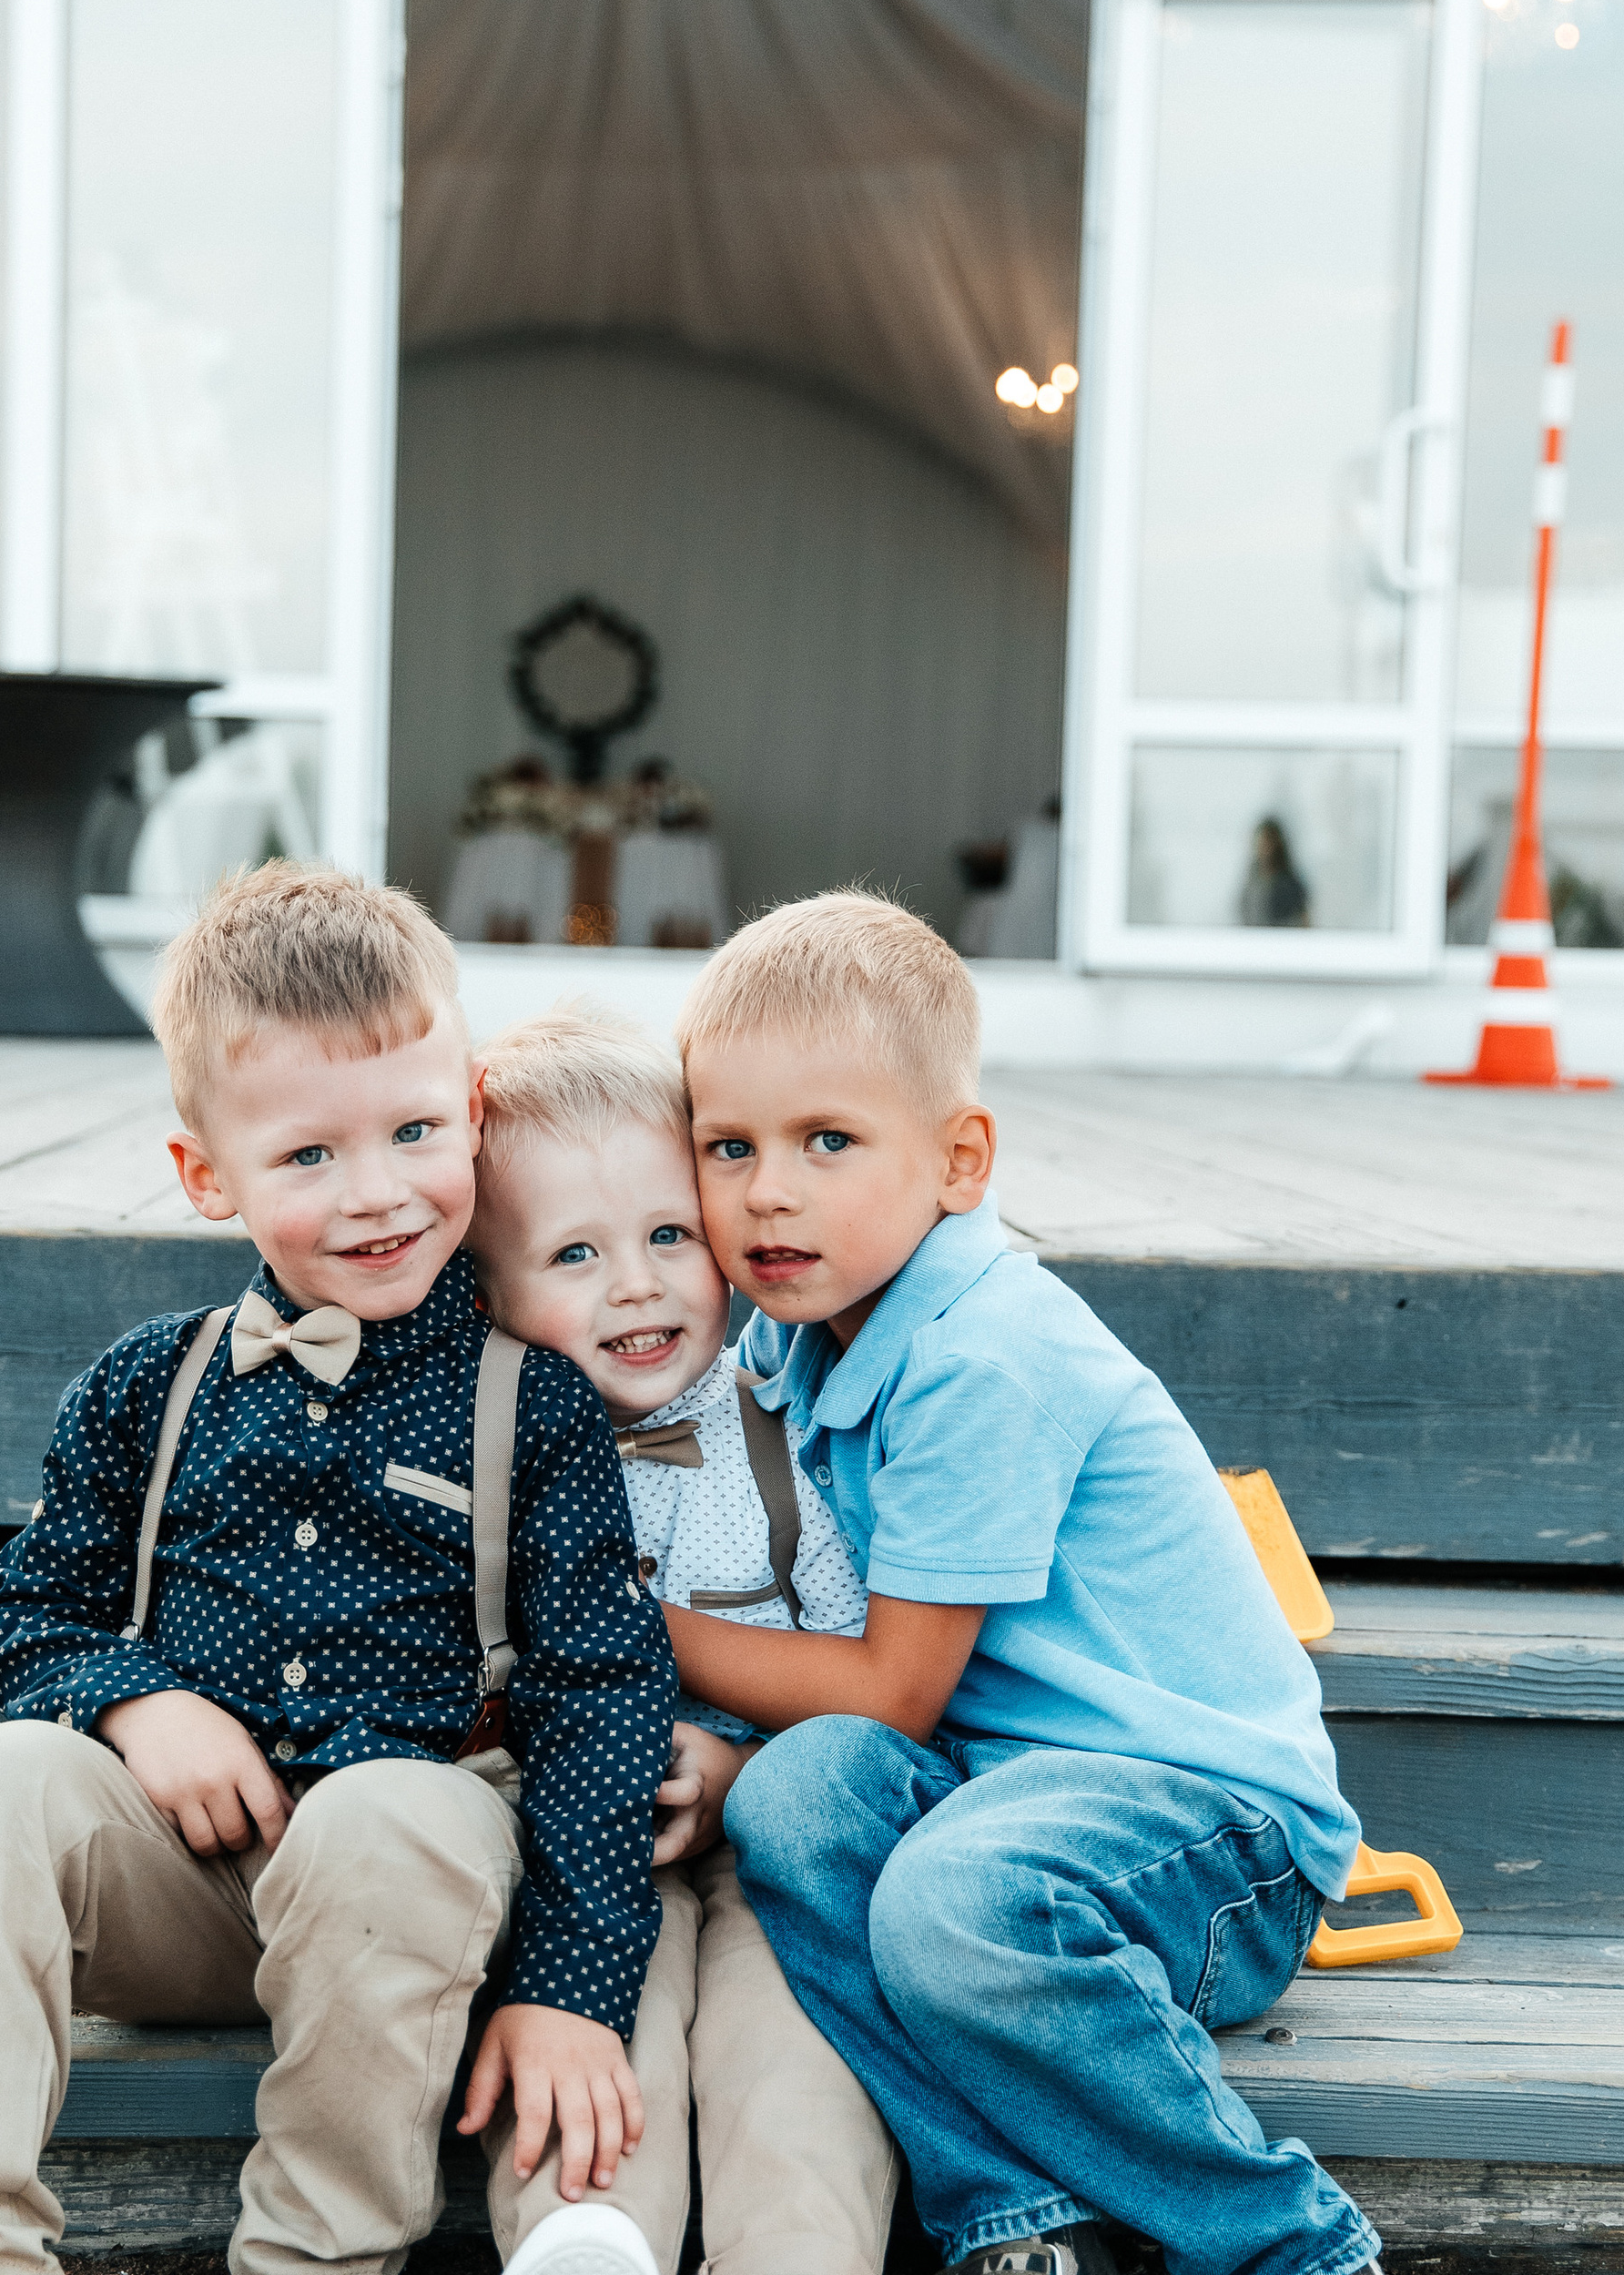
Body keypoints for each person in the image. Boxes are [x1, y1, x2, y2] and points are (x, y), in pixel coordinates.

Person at [0, 862, 675, 2275]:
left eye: (414, 1131)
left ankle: (313, 2257)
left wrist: (574, 1983)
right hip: (188, 1883)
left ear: (471, 1109)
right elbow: (34, 1612)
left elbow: (601, 1695)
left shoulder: (530, 1403)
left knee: (390, 1823)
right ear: (205, 1175)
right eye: (307, 1157)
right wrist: (135, 1702)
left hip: (411, 1884)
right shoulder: (146, 1388)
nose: (377, 1194)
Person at [660, 891, 1377, 2275]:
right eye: (727, 1146)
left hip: (1213, 1841)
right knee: (798, 1797)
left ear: (959, 1160)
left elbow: (891, 1691)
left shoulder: (983, 1354)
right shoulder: (802, 1337)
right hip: (1002, 1800)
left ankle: (1286, 2246)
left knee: (949, 1900)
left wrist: (637, 1625)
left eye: (827, 1141)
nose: (766, 1192)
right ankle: (1022, 2221)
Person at [467, 1004, 900, 2275]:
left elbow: (866, 1674)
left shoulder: (787, 1423)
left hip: (776, 1829)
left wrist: (741, 1768)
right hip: (584, 1845)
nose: (638, 1284)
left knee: (796, 2024)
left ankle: (798, 2251)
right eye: (575, 1254)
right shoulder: (484, 1459)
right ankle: (586, 2236)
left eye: (670, 1235)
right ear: (487, 1295)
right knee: (599, 2009)